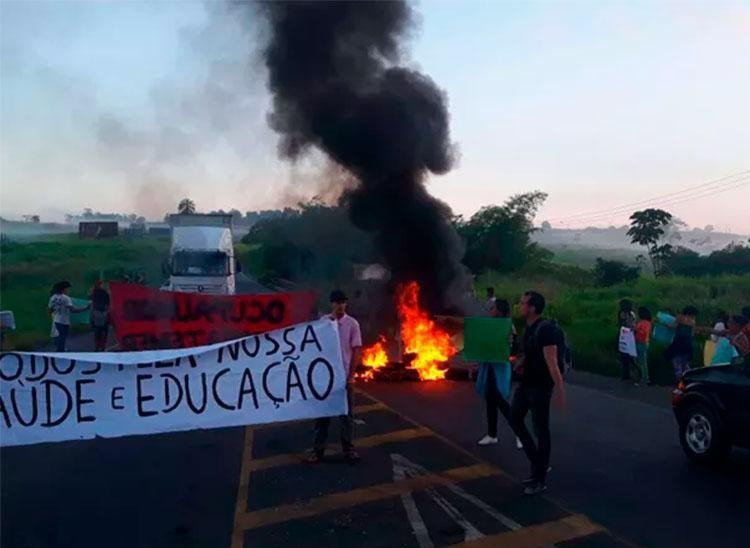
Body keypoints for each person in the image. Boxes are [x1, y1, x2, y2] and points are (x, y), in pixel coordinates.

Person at [509, 291, 566, 495]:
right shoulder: (529, 327)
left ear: (532, 307)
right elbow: (528, 354)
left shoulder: (546, 330)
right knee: (514, 418)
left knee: (541, 430)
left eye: (523, 303)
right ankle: (538, 462)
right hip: (526, 384)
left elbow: (552, 362)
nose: (519, 305)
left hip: (540, 387)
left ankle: (539, 478)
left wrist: (560, 390)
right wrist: (516, 365)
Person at [306, 290, 362, 464]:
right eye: (337, 302)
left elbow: (357, 350)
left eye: (343, 302)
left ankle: (349, 449)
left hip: (345, 378)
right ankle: (318, 451)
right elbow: (314, 347)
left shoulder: (352, 324)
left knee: (347, 416)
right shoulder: (323, 324)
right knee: (322, 415)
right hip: (326, 378)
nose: (340, 306)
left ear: (346, 304)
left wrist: (351, 375)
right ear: (331, 304)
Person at [476, 299, 516, 446]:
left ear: (499, 310)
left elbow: (512, 347)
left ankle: (519, 432)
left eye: (493, 308)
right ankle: (492, 434)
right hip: (489, 367)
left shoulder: (507, 326)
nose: (490, 310)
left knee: (499, 400)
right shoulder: (489, 325)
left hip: (499, 367)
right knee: (490, 400)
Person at [48, 281, 89, 352]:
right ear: (63, 289)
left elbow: (50, 310)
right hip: (64, 321)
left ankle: (58, 350)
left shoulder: (53, 297)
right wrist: (85, 308)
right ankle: (61, 352)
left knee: (57, 337)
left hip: (56, 320)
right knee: (62, 338)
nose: (68, 290)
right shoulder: (66, 298)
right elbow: (73, 310)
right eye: (67, 289)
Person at [663, 306, 698, 382]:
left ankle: (679, 381)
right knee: (685, 364)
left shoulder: (680, 318)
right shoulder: (693, 321)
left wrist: (663, 323)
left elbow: (673, 326)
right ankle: (688, 381)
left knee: (677, 362)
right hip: (688, 343)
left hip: (678, 342)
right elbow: (692, 334)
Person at [617, 299, 637, 381]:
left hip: (624, 335)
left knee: (624, 356)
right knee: (629, 356)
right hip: (630, 336)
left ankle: (626, 375)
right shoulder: (632, 313)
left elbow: (622, 324)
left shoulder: (623, 313)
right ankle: (631, 374)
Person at [89, 280, 111, 351]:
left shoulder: (93, 293)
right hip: (103, 313)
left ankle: (97, 347)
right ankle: (102, 347)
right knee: (104, 331)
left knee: (97, 331)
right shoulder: (105, 293)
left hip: (96, 313)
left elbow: (92, 304)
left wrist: (91, 315)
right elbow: (108, 304)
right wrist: (108, 314)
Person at [635, 307, 652, 385]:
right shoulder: (646, 322)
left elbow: (643, 332)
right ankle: (643, 378)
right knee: (641, 361)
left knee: (642, 362)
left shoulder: (644, 323)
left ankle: (645, 379)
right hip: (642, 342)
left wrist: (635, 330)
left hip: (642, 342)